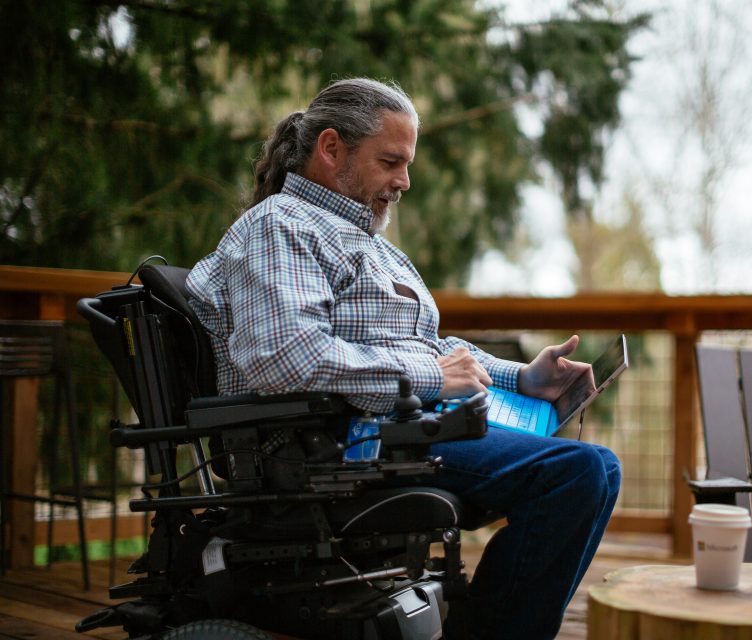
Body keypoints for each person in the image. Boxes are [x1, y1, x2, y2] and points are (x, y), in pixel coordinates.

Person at [186, 77, 621, 640]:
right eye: (390, 162)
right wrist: (431, 377)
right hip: (335, 444)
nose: (404, 182)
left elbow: (426, 345)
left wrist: (521, 377)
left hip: (399, 427)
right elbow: (286, 360)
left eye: (406, 164)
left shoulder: (370, 243)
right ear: (331, 148)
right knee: (576, 475)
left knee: (599, 469)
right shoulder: (281, 227)